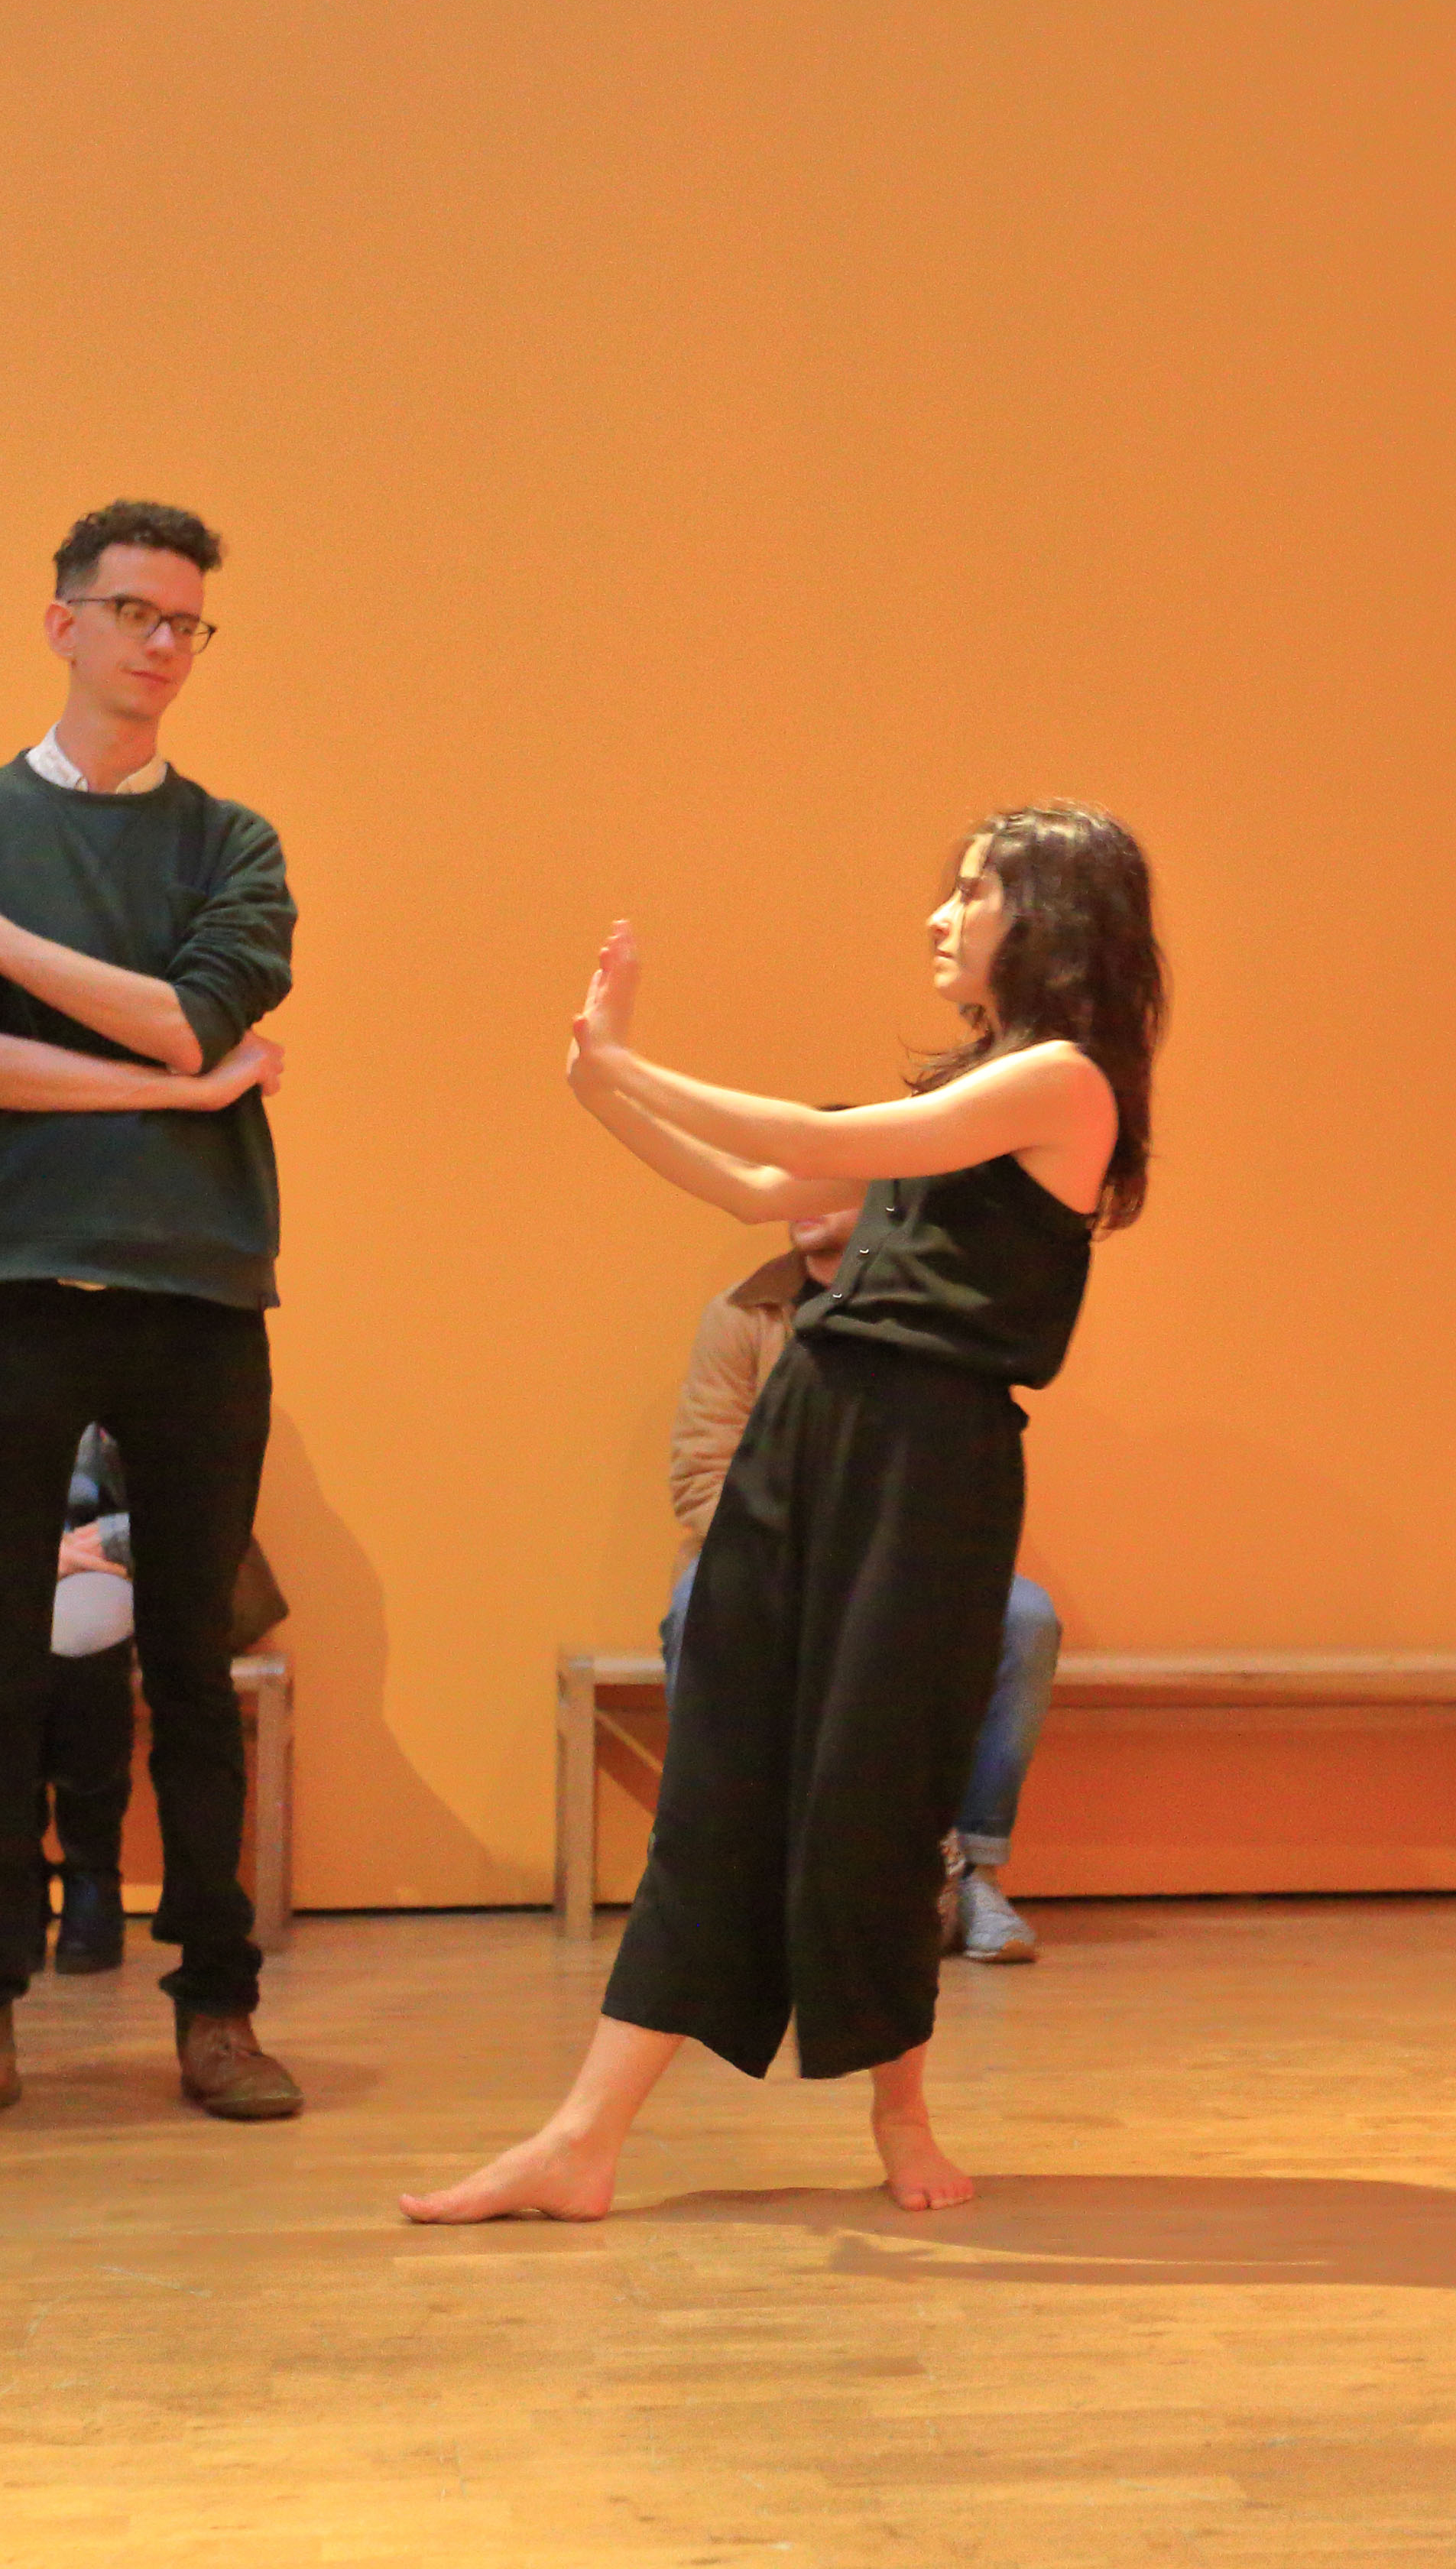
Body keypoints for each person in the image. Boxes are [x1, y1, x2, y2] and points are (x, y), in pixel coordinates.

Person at [404, 800, 1165, 2227]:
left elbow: (809, 1132)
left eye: (973, 891)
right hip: (808, 1430)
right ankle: (582, 2140)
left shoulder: (1062, 1085)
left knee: (875, 1795)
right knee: (723, 1779)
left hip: (926, 1462)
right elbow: (765, 1183)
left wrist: (635, 1062)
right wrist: (599, 1087)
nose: (941, 916)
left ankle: (902, 2115)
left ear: (1051, 918)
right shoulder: (977, 1090)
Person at [0, 498, 301, 2139]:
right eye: (135, 611)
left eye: (187, 621)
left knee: (194, 1666)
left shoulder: (234, 844)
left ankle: (218, 2009)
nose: (163, 643)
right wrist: (175, 1090)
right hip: (8, 1289)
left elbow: (198, 1020)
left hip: (196, 1294)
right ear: (62, 622)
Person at [667, 1206, 1064, 1964]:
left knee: (1027, 1620)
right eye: (795, 1182)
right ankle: (718, 1878)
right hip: (768, 1557)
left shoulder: (942, 1317)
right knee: (696, 1611)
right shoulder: (743, 1314)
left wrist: (896, 1562)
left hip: (909, 1558)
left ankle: (973, 1873)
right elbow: (702, 1476)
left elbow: (963, 1471)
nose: (804, 1200)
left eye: (829, 1182)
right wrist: (805, 1560)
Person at [0, 1319, 291, 2002]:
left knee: (86, 1629)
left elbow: (197, 1495)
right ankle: (18, 1882)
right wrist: (22, 1548)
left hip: (104, 1561)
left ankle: (92, 1872)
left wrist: (108, 1539)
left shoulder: (144, 1331)